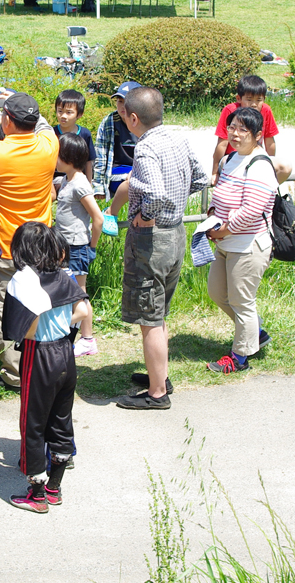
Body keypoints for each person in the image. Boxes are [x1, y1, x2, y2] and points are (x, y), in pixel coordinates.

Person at [116, 87, 208, 411]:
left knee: (149, 318)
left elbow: (154, 193)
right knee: (160, 310)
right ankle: (160, 375)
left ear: (134, 118)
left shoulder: (144, 149)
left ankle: (157, 393)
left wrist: (144, 215)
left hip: (152, 241)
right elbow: (201, 178)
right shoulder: (178, 138)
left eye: (124, 114)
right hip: (177, 232)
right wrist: (178, 197)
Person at [0, 92, 59, 390]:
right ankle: (42, 363)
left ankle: (14, 374)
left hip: (5, 245)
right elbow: (45, 125)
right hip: (40, 245)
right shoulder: (49, 147)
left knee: (3, 307)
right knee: (40, 305)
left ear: (7, 119)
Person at [2, 222, 90, 513]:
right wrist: (61, 324)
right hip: (65, 352)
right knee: (61, 419)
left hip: (39, 355)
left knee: (33, 423)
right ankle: (54, 487)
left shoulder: (23, 279)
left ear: (21, 248)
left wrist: (38, 329)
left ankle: (36, 494)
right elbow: (83, 310)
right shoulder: (63, 275)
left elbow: (23, 328)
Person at [205, 107, 279, 375]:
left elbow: (250, 211)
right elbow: (220, 194)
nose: (235, 134)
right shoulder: (230, 160)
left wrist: (223, 231)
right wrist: (212, 216)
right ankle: (255, 332)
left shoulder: (259, 165)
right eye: (232, 127)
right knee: (218, 292)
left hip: (249, 245)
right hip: (225, 243)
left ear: (258, 135)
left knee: (241, 302)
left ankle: (239, 357)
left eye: (242, 130)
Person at [55, 132, 103, 357]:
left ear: (70, 157)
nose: (54, 158)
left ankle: (88, 339)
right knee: (70, 291)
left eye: (58, 154)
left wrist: (91, 247)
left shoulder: (80, 184)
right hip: (65, 246)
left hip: (77, 246)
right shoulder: (67, 178)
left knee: (80, 293)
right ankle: (74, 332)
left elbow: (98, 218)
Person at [211, 76, 291, 185]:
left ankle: (268, 191)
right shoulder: (230, 110)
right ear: (239, 98)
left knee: (285, 167)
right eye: (249, 100)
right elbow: (222, 144)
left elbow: (270, 141)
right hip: (232, 157)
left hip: (255, 156)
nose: (254, 104)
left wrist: (269, 162)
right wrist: (215, 172)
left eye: (259, 100)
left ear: (264, 99)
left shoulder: (265, 110)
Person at [94, 81, 141, 234]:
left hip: (139, 171)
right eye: (119, 101)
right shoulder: (110, 122)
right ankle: (111, 212)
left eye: (126, 102)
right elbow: (100, 155)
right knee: (134, 180)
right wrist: (99, 187)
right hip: (116, 172)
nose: (122, 106)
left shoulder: (145, 122)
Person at [54, 89, 95, 181]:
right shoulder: (51, 133)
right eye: (60, 111)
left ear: (79, 114)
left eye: (69, 112)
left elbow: (89, 162)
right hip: (56, 179)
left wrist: (89, 183)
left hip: (79, 178)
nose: (63, 116)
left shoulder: (85, 134)